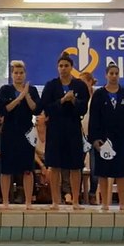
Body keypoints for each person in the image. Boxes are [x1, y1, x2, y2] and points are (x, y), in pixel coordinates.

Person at [39, 53, 89, 210]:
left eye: (66, 66)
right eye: (61, 66)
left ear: (71, 68)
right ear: (57, 68)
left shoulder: (80, 86)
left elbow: (83, 108)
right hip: (55, 130)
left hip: (73, 129)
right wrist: (62, 100)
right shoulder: (51, 86)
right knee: (54, 166)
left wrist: (73, 100)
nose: (63, 69)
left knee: (75, 166)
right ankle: (55, 200)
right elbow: (46, 108)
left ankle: (75, 200)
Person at [88, 62, 124, 211]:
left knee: (122, 172)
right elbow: (94, 118)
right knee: (103, 172)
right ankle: (104, 203)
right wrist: (95, 139)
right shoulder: (99, 94)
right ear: (106, 75)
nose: (114, 76)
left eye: (116, 73)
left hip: (122, 137)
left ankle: (122, 203)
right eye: (111, 73)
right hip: (104, 139)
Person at [0, 60, 41, 210]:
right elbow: (4, 109)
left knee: (27, 168)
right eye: (16, 73)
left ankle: (28, 201)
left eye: (21, 73)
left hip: (26, 132)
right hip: (9, 131)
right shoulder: (5, 90)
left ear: (25, 74)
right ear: (11, 75)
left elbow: (36, 109)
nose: (19, 76)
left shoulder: (32, 90)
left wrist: (26, 95)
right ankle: (5, 201)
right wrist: (19, 98)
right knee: (6, 169)